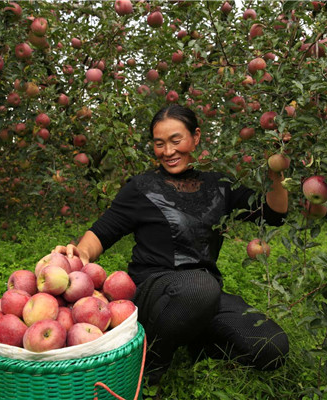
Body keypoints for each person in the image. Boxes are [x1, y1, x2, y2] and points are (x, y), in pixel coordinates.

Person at [55, 104, 289, 384]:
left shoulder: (220, 185)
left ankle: (195, 343)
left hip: (205, 294)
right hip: (154, 292)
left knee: (272, 347)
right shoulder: (142, 187)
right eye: (159, 144)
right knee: (200, 287)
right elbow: (103, 232)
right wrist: (78, 254)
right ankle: (150, 361)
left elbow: (273, 214)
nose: (168, 151)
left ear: (196, 137)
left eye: (176, 140)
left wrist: (277, 170)